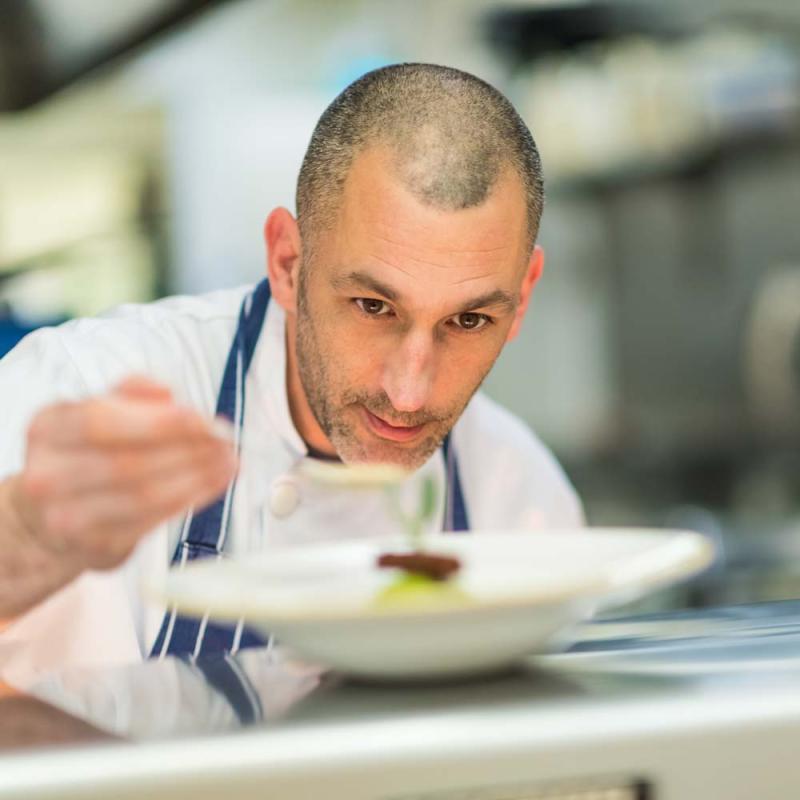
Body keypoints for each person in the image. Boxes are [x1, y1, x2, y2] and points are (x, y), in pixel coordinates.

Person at [0, 63, 583, 688]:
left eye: (467, 321)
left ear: (521, 300)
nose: (410, 391)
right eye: (373, 307)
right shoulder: (81, 386)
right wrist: (27, 537)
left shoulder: (518, 493)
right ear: (286, 262)